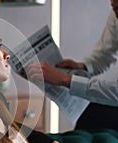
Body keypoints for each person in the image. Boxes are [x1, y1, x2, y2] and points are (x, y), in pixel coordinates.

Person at [26, 0, 118, 130]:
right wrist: (83, 66)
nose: (112, 4)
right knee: (89, 116)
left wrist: (65, 79)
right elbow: (105, 53)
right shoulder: (115, 14)